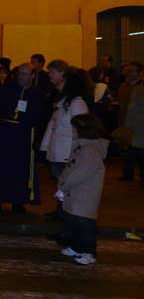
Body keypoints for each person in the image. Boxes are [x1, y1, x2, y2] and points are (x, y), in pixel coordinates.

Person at [0, 64, 48, 214]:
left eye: (25, 74)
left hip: (23, 135)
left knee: (20, 168)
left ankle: (18, 201)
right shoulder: (8, 89)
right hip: (4, 133)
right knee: (0, 166)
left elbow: (40, 117)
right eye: (19, 73)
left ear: (32, 76)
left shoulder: (37, 94)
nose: (21, 76)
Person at [56, 114, 109, 266]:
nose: (72, 131)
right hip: (77, 193)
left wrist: (64, 185)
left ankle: (88, 252)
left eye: (74, 128)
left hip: (84, 194)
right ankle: (77, 247)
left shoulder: (90, 149)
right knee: (75, 221)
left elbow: (81, 173)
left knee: (85, 224)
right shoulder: (83, 145)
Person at [41, 62, 90, 219]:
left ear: (63, 75)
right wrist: (45, 145)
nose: (49, 76)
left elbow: (80, 129)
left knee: (68, 183)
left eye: (53, 72)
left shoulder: (76, 103)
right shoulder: (63, 102)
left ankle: (67, 213)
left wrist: (76, 152)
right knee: (61, 181)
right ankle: (61, 211)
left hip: (67, 151)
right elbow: (53, 126)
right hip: (59, 150)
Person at [118, 61, 144, 182]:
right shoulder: (123, 87)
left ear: (139, 73)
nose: (128, 72)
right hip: (125, 122)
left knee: (140, 150)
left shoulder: (141, 87)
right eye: (127, 70)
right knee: (126, 149)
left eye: (131, 70)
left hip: (139, 124)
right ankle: (127, 173)